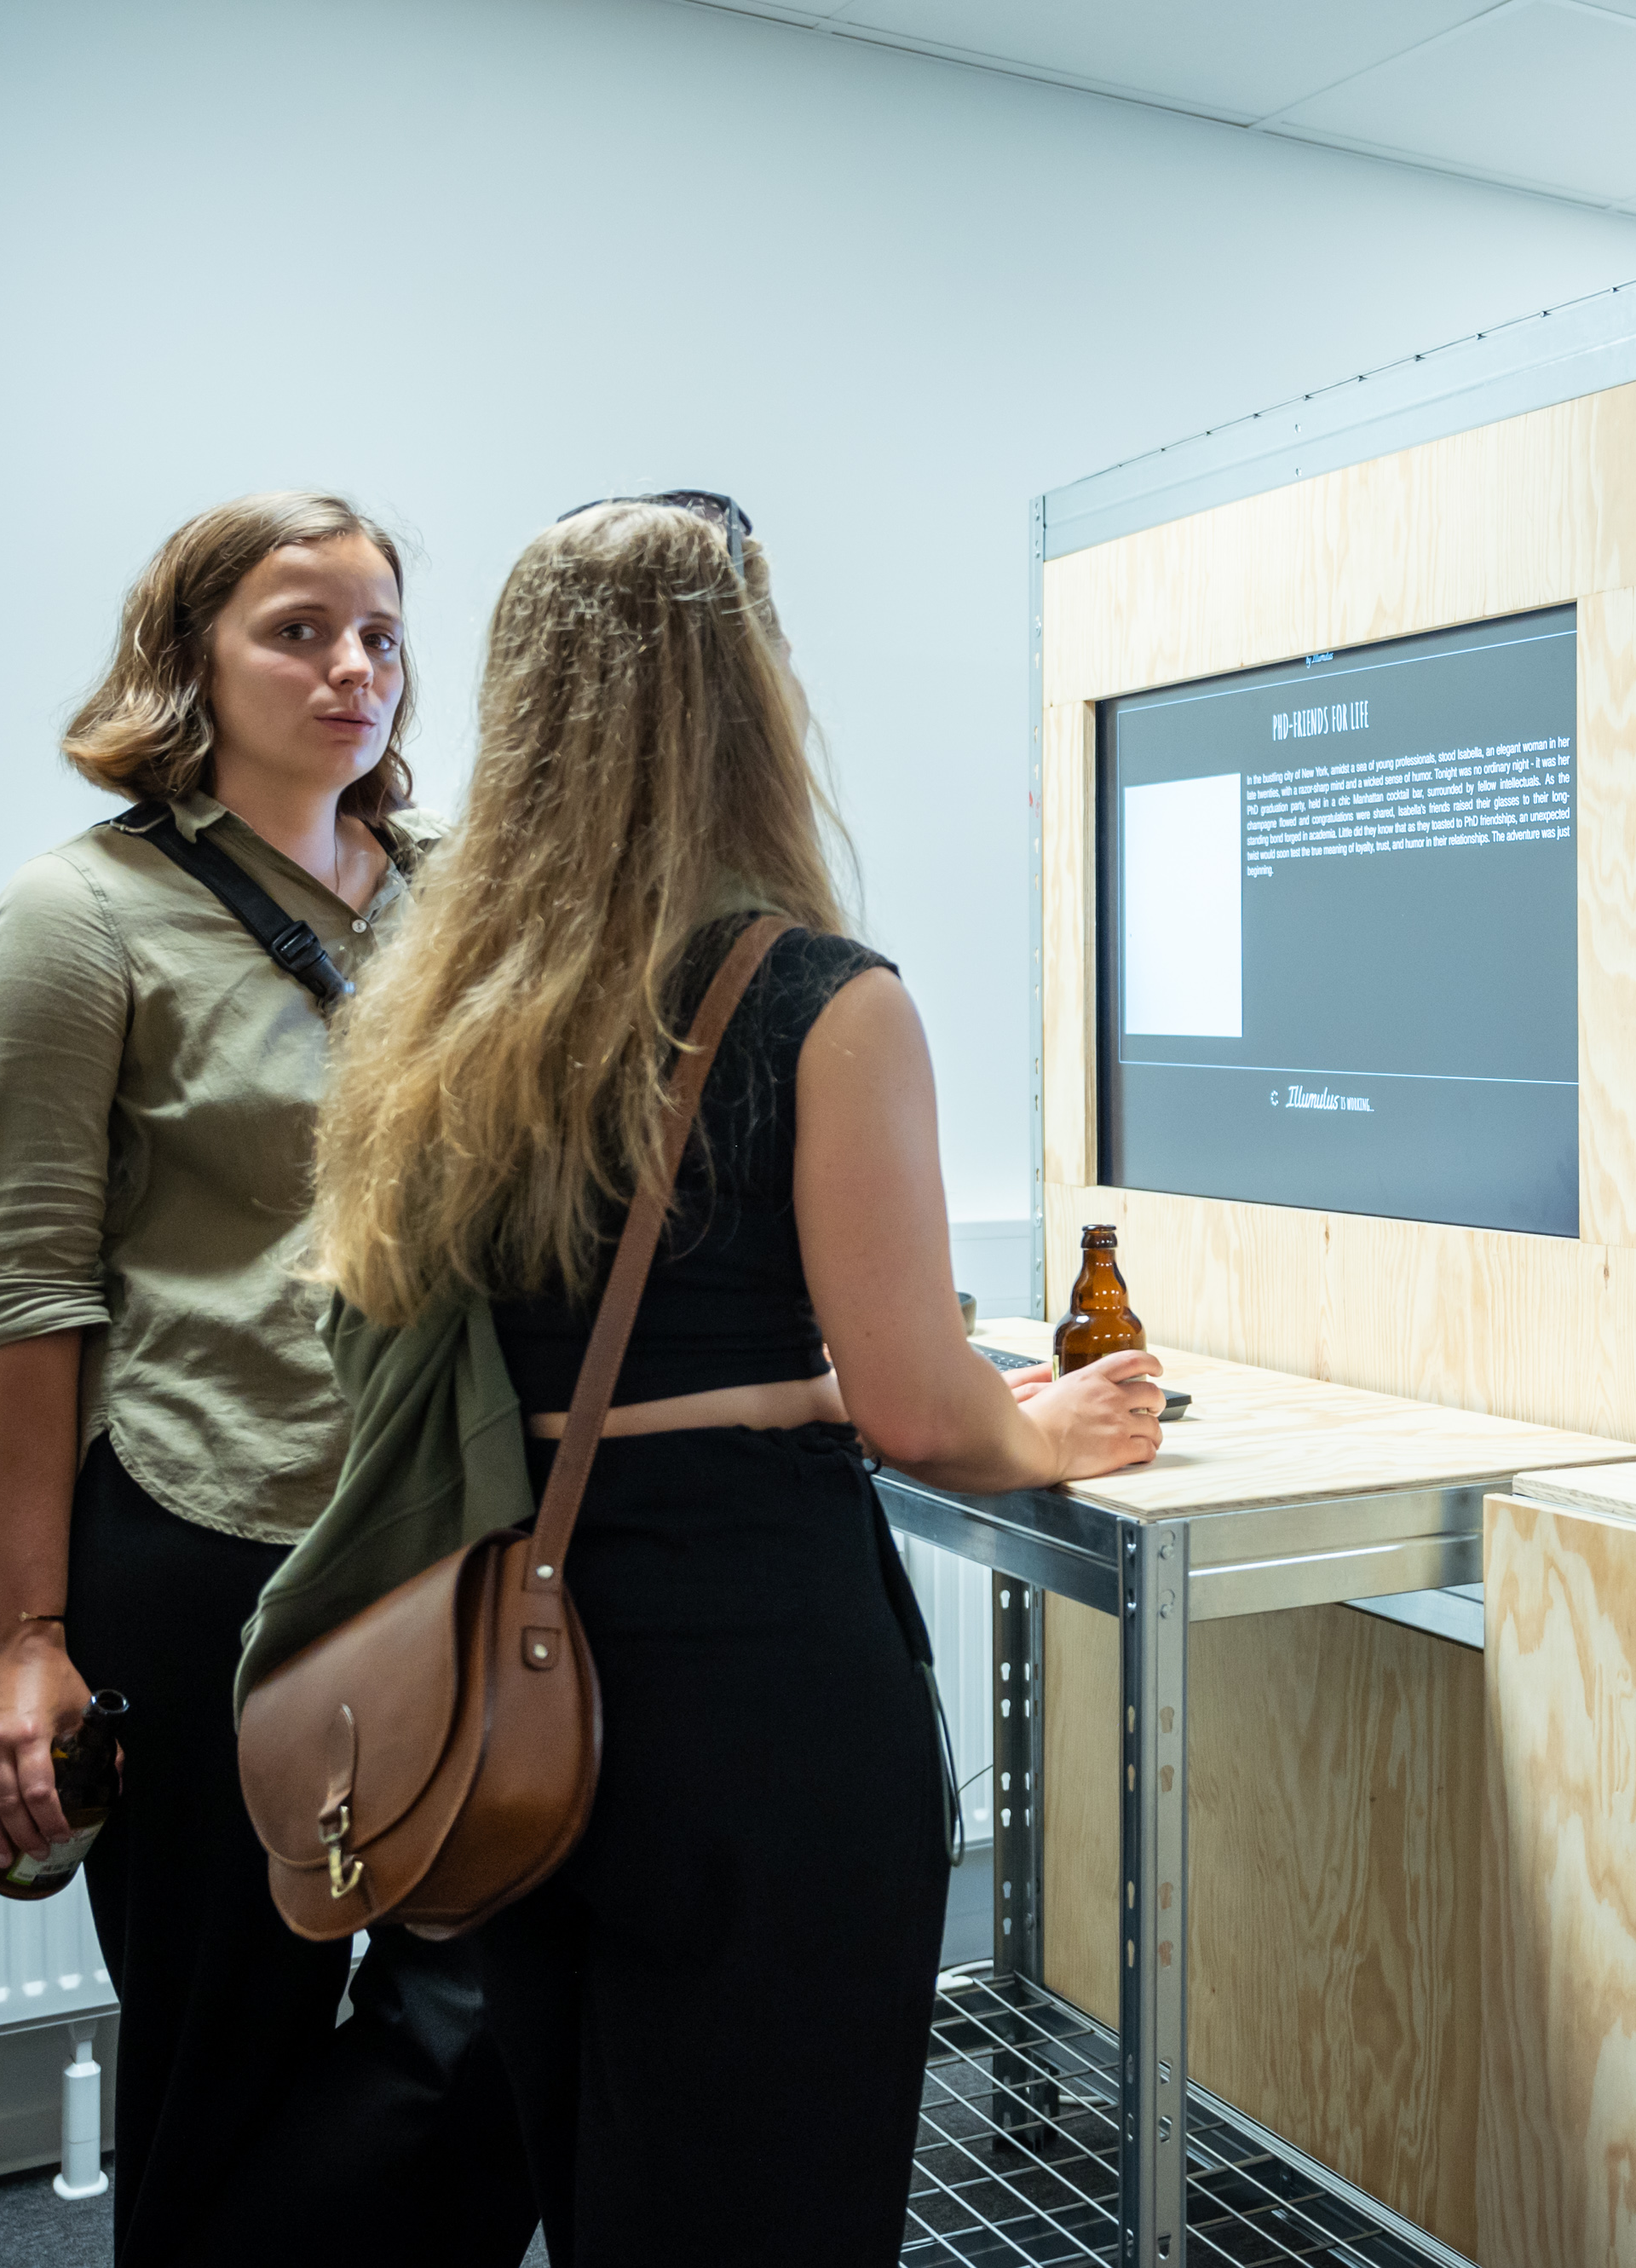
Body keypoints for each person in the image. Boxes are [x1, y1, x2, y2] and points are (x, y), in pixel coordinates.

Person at [303, 493, 1165, 2265]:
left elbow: (536, 1352)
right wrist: (1051, 1428)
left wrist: (801, 1389)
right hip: (752, 1687)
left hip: (516, 1682)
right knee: (774, 2192)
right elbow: (922, 1407)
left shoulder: (447, 998)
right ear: (750, 694)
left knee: (603, 2179)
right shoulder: (820, 998)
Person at [0, 495, 534, 2264]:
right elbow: (21, 1297)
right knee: (229, 2052)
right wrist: (23, 1636)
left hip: (457, 1537)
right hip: (214, 1546)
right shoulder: (77, 920)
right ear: (187, 658)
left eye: (382, 634)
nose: (356, 669)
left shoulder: (459, 899)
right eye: (299, 629)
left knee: (495, 2025)